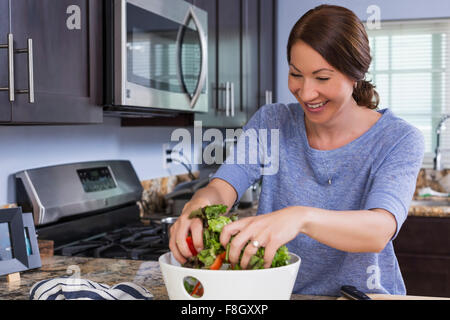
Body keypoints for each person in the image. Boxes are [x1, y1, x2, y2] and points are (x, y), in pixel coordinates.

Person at [169, 4, 425, 296]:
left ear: (356, 74)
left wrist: (300, 218)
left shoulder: (398, 138)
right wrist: (198, 208)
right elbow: (222, 187)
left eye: (322, 78)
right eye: (296, 74)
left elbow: (379, 229)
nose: (306, 92)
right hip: (278, 293)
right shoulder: (272, 122)